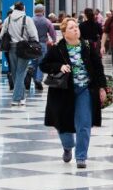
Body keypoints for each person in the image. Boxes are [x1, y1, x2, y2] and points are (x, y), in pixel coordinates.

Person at [41, 17, 108, 169]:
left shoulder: (88, 46)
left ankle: (81, 157)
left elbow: (98, 68)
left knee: (84, 123)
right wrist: (59, 67)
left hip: (85, 89)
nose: (76, 29)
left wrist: (102, 88)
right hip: (63, 91)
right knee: (62, 125)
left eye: (76, 27)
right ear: (64, 33)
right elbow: (43, 65)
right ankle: (67, 146)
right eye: (71, 28)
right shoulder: (57, 48)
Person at [1, 2, 39, 106]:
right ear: (23, 9)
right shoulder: (27, 19)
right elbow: (34, 35)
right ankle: (16, 98)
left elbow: (1, 35)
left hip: (11, 48)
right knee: (21, 72)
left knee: (14, 72)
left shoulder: (7, 19)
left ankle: (21, 97)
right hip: (23, 48)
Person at [30, 4, 57, 92]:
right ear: (43, 11)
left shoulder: (30, 20)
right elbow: (52, 32)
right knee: (41, 63)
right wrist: (53, 40)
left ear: (35, 11)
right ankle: (38, 79)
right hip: (42, 44)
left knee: (34, 63)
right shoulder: (47, 21)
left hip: (32, 44)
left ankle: (35, 80)